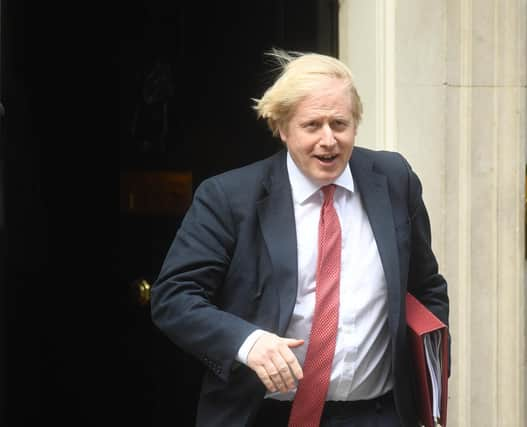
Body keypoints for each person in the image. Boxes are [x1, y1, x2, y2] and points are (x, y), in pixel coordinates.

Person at [150, 49, 449, 427]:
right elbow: (173, 297)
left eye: (340, 124)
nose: (329, 140)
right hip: (264, 413)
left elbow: (426, 287)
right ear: (282, 127)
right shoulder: (229, 198)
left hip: (377, 414)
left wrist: (427, 377)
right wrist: (248, 343)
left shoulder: (393, 180)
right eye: (312, 126)